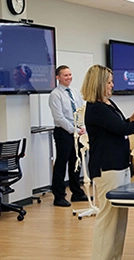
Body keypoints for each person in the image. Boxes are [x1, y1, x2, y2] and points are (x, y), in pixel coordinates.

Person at [81, 64, 134, 260]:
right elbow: (124, 130)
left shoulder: (108, 104)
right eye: (109, 82)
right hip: (107, 168)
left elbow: (121, 124)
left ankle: (114, 257)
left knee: (120, 218)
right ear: (99, 84)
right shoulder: (95, 108)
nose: (112, 85)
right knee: (108, 219)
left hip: (120, 165)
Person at [49, 65, 87, 207]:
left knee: (76, 162)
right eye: (65, 75)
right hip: (64, 132)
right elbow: (59, 117)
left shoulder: (75, 92)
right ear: (58, 77)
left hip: (77, 131)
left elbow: (80, 110)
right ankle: (58, 196)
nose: (69, 77)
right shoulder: (55, 94)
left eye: (70, 74)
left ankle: (76, 192)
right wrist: (73, 130)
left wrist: (82, 127)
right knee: (61, 164)